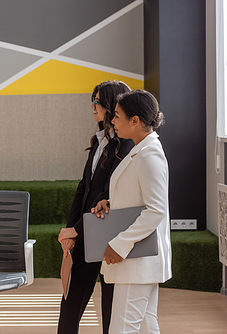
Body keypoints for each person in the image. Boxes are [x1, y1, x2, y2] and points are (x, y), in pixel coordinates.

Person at [91, 89, 172, 333]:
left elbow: (156, 209)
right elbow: (138, 196)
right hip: (139, 261)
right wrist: (110, 202)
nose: (112, 121)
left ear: (135, 120)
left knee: (122, 328)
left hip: (137, 260)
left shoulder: (149, 154)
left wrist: (120, 243)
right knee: (147, 325)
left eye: (117, 116)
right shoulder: (140, 150)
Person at [57, 80, 134, 334]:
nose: (92, 105)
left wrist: (77, 229)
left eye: (97, 101)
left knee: (110, 303)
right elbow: (84, 188)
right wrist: (71, 229)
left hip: (107, 232)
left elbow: (109, 193)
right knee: (71, 299)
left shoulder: (126, 145)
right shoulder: (99, 140)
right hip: (85, 230)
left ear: (112, 105)